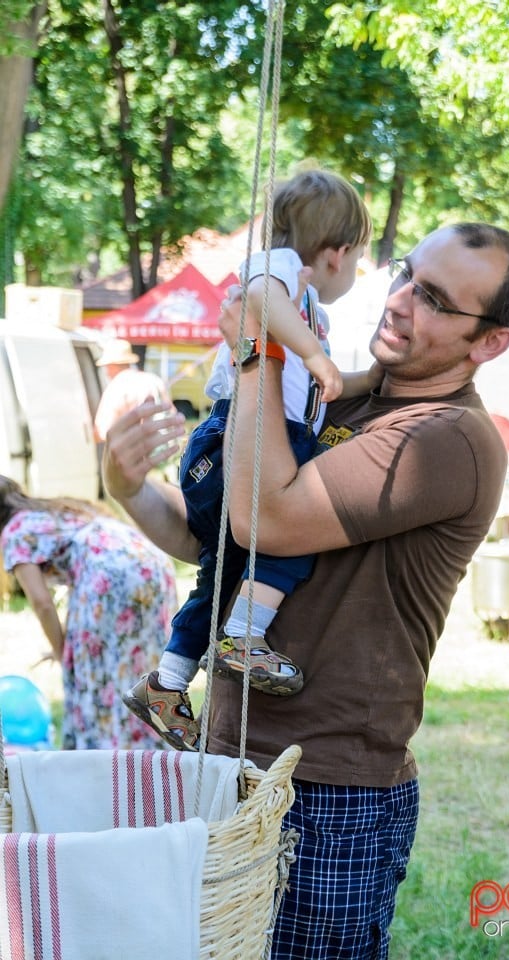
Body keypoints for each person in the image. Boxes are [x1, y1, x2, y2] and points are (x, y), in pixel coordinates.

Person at [102, 221, 509, 959]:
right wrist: (126, 489)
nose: (400, 301)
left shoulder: (447, 438)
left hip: (329, 793)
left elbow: (268, 518)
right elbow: (212, 543)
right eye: (407, 274)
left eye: (434, 299)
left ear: (489, 341)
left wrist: (259, 347)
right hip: (229, 755)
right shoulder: (341, 396)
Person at [123, 169, 377, 751]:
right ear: (336, 254)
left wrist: (373, 378)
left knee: (223, 569)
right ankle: (243, 635)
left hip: (248, 440)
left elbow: (327, 387)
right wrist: (312, 352)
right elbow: (260, 302)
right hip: (238, 436)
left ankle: (166, 681)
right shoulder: (281, 269)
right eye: (360, 259)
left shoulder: (310, 310)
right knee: (295, 531)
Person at [0, 476, 177, 750]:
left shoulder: (13, 531)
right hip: (150, 563)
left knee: (95, 683)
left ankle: (104, 761)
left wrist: (62, 653)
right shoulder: (55, 511)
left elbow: (42, 602)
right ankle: (152, 759)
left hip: (105, 576)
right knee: (140, 671)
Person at [94, 338, 169, 443]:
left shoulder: (116, 387)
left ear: (111, 365)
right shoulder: (154, 380)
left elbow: (103, 432)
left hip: (135, 453)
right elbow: (171, 414)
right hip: (162, 450)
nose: (106, 372)